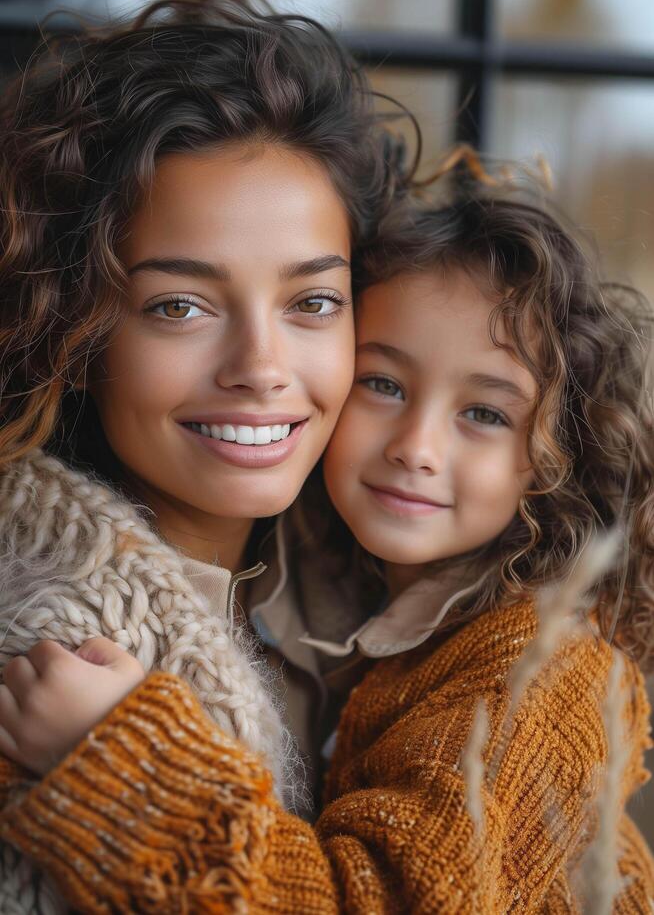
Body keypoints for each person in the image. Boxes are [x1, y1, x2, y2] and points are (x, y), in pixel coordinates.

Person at [1, 180, 653, 912]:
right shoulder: (329, 589)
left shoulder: (547, 673)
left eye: (483, 412)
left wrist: (116, 760)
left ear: (552, 451)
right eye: (383, 383)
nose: (417, 448)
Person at [0, 0, 411, 910]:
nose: (262, 367)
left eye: (312, 302)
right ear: (74, 325)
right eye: (179, 306)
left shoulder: (398, 595)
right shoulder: (39, 655)